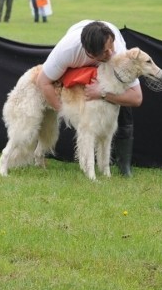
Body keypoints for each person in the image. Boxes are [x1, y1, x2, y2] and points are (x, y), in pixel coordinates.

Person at [36, 20, 140, 176]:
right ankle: (84, 163)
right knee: (83, 119)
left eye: (110, 47)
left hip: (102, 51)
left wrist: (103, 93)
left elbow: (136, 98)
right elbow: (43, 82)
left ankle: (123, 164)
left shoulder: (117, 52)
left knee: (120, 99)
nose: (110, 53)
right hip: (76, 62)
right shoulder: (66, 51)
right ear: (90, 55)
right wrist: (68, 114)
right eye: (105, 52)